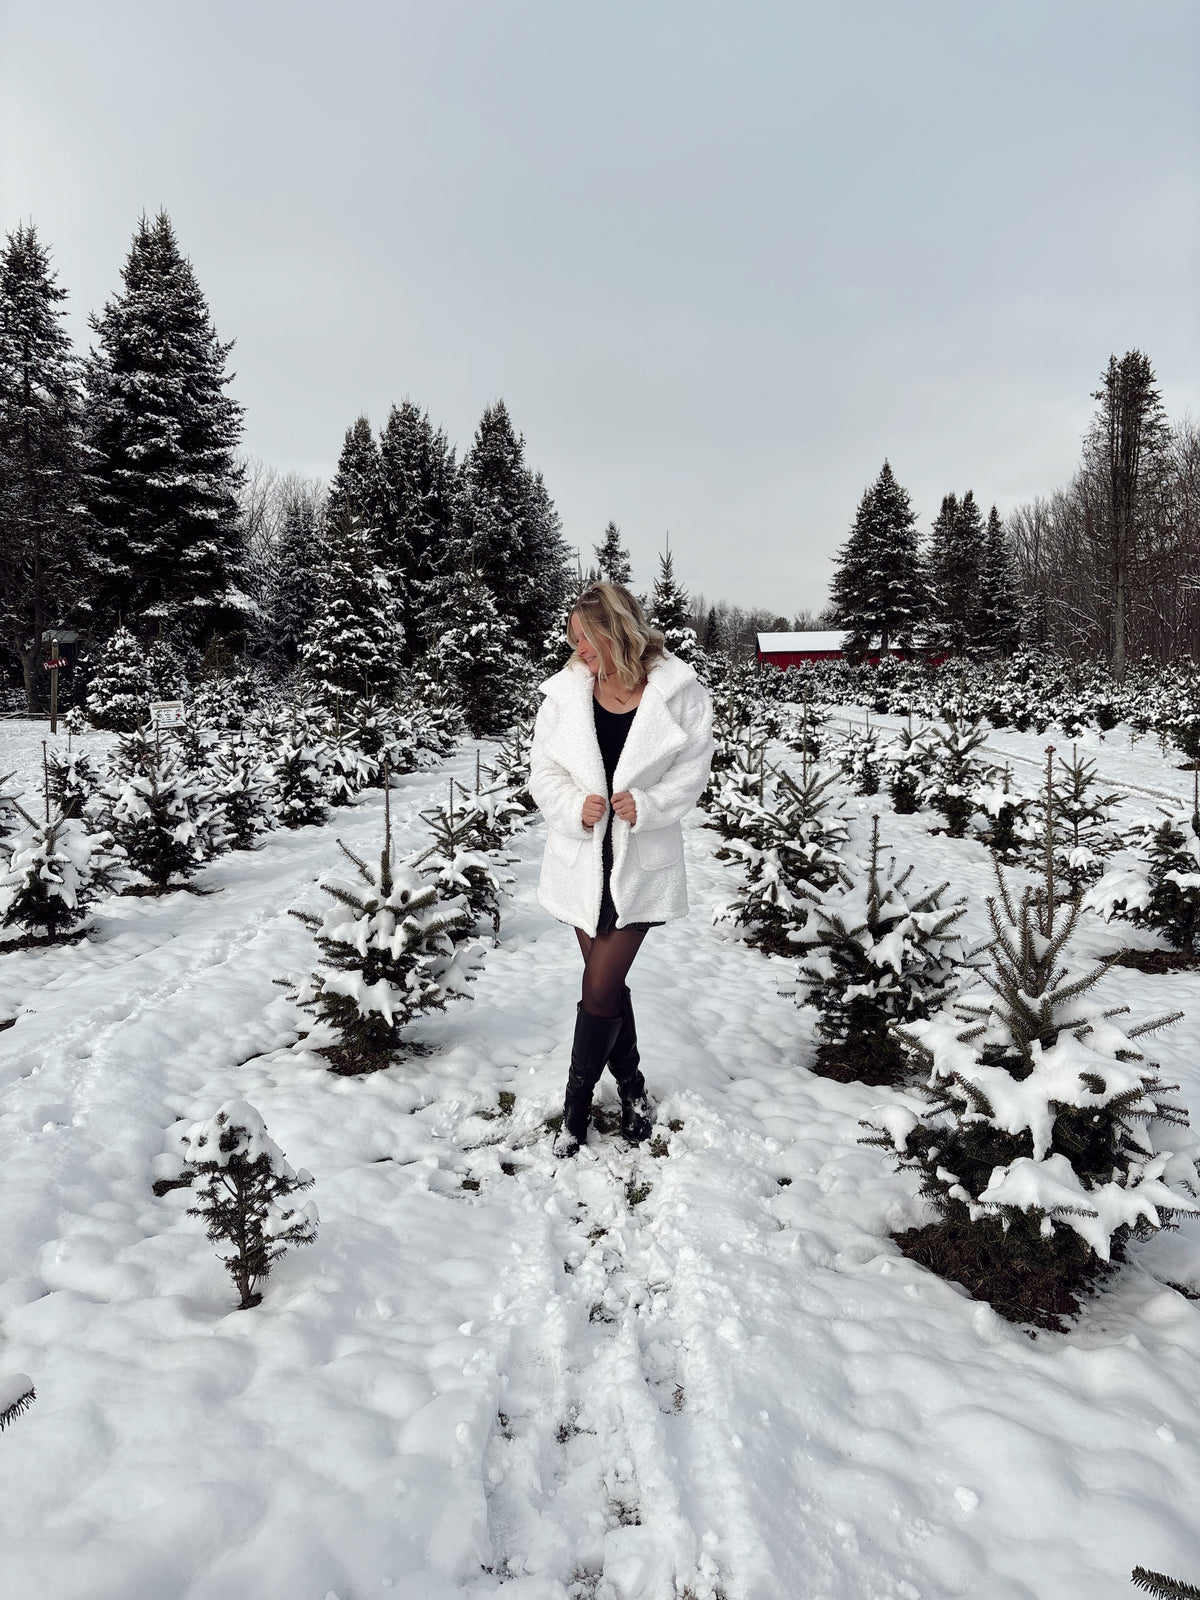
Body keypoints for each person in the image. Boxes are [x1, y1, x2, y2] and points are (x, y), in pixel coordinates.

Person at [528, 582, 714, 1157]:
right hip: (582, 860)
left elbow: (693, 770)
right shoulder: (564, 694)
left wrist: (650, 804)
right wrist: (571, 807)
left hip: (640, 862)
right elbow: (544, 771)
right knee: (605, 987)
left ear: (616, 632)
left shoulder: (678, 693)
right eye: (573, 639)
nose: (577, 649)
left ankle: (576, 1106)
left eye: (585, 638)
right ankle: (631, 1087)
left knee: (600, 984)